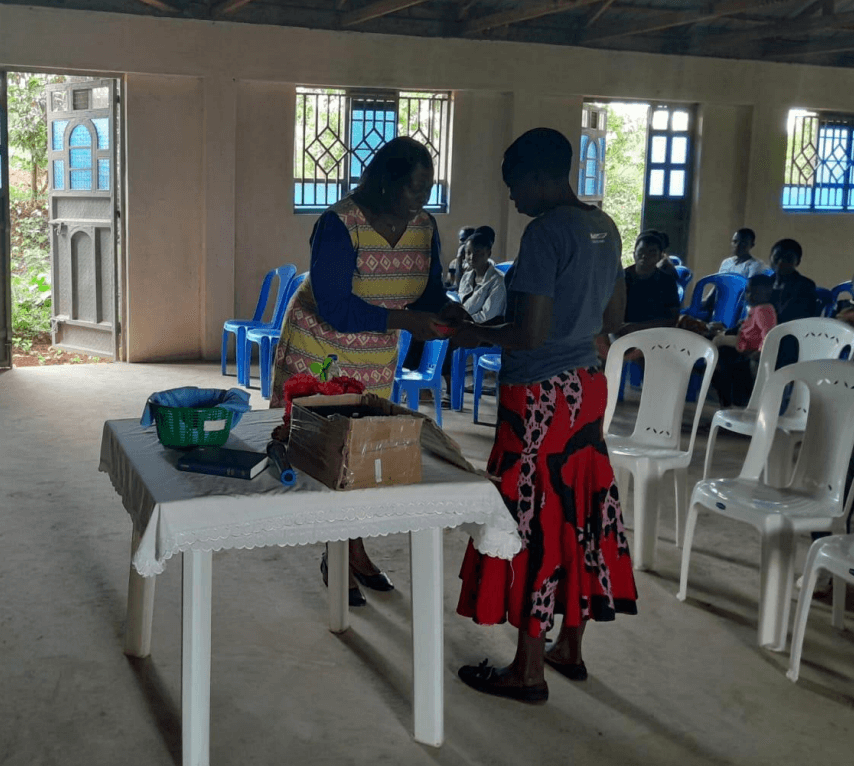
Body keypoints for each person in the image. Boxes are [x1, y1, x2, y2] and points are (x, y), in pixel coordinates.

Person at [450, 127, 637, 704]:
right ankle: (569, 647)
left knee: (527, 518)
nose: (513, 199)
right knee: (576, 511)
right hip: (585, 388)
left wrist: (466, 332)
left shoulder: (545, 233)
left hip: (536, 400)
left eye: (515, 186)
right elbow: (614, 314)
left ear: (539, 176)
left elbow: (529, 334)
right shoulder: (604, 227)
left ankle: (527, 668)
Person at [270, 136, 469, 606]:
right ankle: (337, 551)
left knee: (363, 456)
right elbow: (336, 306)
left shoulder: (424, 226)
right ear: (384, 181)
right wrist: (406, 321)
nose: (421, 199)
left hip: (377, 352)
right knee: (328, 451)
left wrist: (448, 310)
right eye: (413, 189)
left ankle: (353, 549)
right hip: (321, 348)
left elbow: (426, 290)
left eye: (428, 188)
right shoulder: (339, 223)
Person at [710, 274, 776, 407]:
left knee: (718, 340)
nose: (749, 295)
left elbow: (768, 333)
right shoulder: (760, 308)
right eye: (748, 291)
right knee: (719, 338)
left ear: (768, 294)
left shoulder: (763, 310)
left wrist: (760, 352)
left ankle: (713, 363)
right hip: (745, 340)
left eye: (754, 292)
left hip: (747, 344)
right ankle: (714, 364)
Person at [618, 230, 680, 336]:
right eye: (641, 251)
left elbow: (672, 318)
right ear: (634, 254)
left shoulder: (667, 281)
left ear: (660, 257)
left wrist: (637, 327)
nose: (644, 256)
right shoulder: (621, 279)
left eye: (651, 252)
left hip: (655, 334)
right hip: (624, 334)